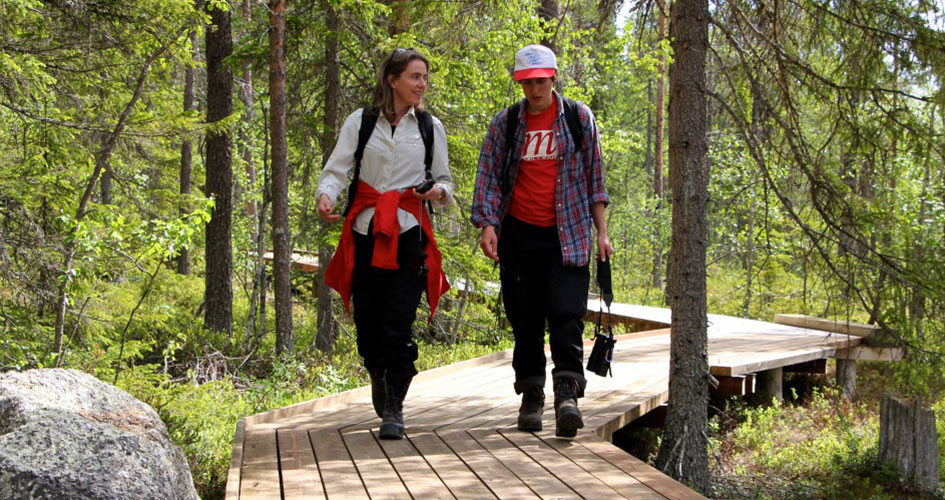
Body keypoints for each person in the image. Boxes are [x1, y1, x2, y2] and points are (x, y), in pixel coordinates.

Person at [471, 44, 613, 437]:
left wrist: (601, 232)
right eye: (527, 82)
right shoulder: (507, 124)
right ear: (520, 83)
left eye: (540, 81)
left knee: (567, 314)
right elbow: (488, 177)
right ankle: (532, 394)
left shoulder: (578, 118)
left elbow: (595, 181)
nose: (534, 89)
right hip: (519, 233)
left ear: (553, 78)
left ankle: (567, 394)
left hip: (566, 233)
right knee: (526, 318)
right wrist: (488, 225)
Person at [317, 48, 452, 440]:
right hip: (366, 230)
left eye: (424, 77)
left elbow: (445, 183)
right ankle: (377, 370)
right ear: (392, 80)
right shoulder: (361, 123)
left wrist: (436, 193)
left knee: (399, 321)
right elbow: (336, 169)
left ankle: (394, 405)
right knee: (368, 322)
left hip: (410, 233)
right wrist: (326, 196)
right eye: (414, 77)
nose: (421, 85)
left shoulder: (429, 127)